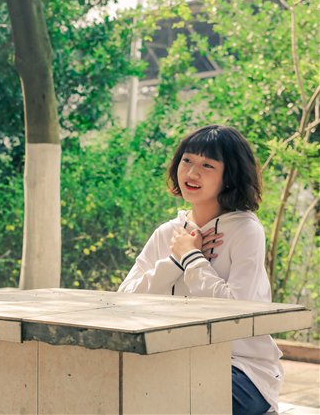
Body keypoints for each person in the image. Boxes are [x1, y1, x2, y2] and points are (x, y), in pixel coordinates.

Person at [118, 125, 283, 415]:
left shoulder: (246, 230)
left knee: (172, 399)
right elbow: (123, 301)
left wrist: (191, 258)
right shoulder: (167, 233)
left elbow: (237, 312)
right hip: (174, 362)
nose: (192, 173)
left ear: (230, 175)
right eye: (187, 160)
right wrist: (174, 261)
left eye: (207, 165)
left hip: (241, 370)